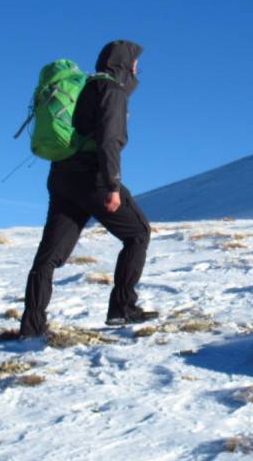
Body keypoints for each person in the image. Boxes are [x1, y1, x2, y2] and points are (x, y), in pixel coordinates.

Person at [20, 40, 154, 338]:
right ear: (126, 65)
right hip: (93, 177)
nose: (137, 71)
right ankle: (122, 308)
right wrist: (112, 185)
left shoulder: (85, 87)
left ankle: (31, 325)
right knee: (138, 233)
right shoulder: (111, 90)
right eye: (135, 65)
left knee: (48, 257)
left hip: (61, 176)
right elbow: (110, 140)